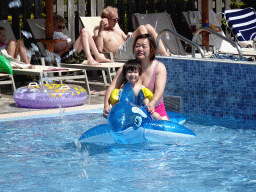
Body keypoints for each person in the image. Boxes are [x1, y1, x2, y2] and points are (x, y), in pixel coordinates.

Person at [103, 34, 169, 120]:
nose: (140, 49)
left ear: (151, 49)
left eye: (144, 46)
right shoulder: (127, 67)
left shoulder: (159, 68)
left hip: (154, 109)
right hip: (131, 111)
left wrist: (152, 103)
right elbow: (113, 86)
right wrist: (106, 106)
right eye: (137, 46)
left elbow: (159, 90)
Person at [94, 6, 170, 60]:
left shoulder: (116, 28)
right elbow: (100, 49)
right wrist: (101, 29)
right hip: (119, 54)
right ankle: (149, 53)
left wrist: (129, 36)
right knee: (141, 28)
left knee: (148, 26)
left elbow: (125, 39)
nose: (117, 22)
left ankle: (165, 55)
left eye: (117, 19)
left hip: (126, 49)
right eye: (114, 20)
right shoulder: (99, 32)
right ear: (105, 19)